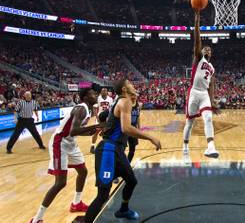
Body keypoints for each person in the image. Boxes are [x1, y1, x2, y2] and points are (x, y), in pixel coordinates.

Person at [85, 79, 161, 223]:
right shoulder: (124, 101)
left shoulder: (122, 101)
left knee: (131, 180)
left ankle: (123, 210)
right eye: (130, 84)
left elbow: (109, 118)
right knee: (102, 196)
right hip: (108, 150)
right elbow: (126, 128)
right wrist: (150, 137)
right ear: (125, 89)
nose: (133, 85)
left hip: (117, 149)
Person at [30, 88, 101, 223]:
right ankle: (36, 219)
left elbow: (75, 132)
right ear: (85, 97)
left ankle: (76, 203)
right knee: (60, 183)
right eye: (93, 93)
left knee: (83, 171)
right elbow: (74, 130)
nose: (95, 95)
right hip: (60, 143)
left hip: (70, 143)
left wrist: (92, 131)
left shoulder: (89, 109)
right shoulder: (81, 109)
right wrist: (96, 126)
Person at [183, 8, 220, 159]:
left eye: (209, 49)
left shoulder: (212, 68)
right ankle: (185, 144)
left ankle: (211, 147)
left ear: (211, 54)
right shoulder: (198, 58)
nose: (206, 50)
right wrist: (197, 22)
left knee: (208, 118)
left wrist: (212, 100)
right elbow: (197, 40)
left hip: (204, 93)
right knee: (190, 123)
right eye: (205, 48)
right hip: (194, 92)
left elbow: (211, 86)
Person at [90, 88, 113, 154]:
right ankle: (92, 146)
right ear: (101, 92)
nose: (104, 92)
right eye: (103, 90)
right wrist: (97, 119)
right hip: (100, 117)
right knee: (96, 132)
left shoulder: (110, 99)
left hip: (107, 118)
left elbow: (111, 109)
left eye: (105, 90)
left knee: (107, 133)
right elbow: (94, 109)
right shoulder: (98, 98)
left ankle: (105, 146)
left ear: (107, 92)